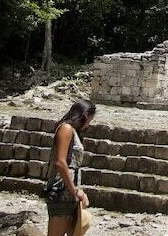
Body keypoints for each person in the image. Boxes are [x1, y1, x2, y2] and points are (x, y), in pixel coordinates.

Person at [44, 100, 96, 236]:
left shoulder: (73, 131)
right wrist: (75, 191)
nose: (89, 124)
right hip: (61, 190)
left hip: (69, 190)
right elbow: (61, 162)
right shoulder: (66, 129)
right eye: (90, 119)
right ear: (84, 115)